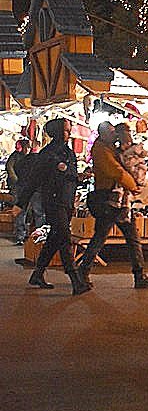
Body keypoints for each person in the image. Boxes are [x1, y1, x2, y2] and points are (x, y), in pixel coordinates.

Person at [76, 121, 148, 289]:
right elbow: (115, 171)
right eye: (111, 132)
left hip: (118, 201)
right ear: (103, 134)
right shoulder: (101, 150)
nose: (114, 135)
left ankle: (139, 274)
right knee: (108, 237)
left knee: (122, 237)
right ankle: (83, 271)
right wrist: (133, 185)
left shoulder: (110, 148)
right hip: (109, 200)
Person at [15, 119, 89, 295]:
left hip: (66, 202)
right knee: (64, 238)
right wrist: (20, 203)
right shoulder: (47, 154)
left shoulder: (67, 151)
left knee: (55, 238)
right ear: (57, 132)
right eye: (66, 130)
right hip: (54, 202)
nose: (69, 133)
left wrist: (79, 177)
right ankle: (76, 280)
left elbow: (68, 176)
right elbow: (34, 180)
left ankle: (37, 274)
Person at [6, 138, 31, 245]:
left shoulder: (29, 157)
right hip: (18, 187)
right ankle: (20, 235)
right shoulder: (15, 156)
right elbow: (9, 168)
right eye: (26, 147)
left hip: (27, 187)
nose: (27, 149)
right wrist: (15, 180)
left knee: (26, 211)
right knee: (20, 211)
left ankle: (24, 234)